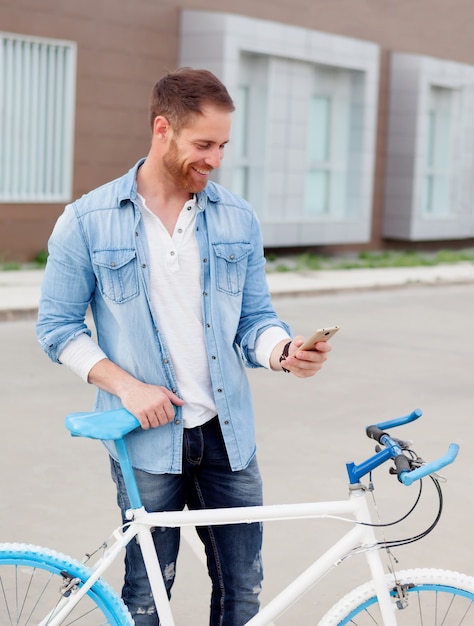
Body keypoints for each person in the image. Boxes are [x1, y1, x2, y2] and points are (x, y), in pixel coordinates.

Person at [36, 67, 332, 626]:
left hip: (228, 436)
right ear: (162, 129)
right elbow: (57, 329)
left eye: (222, 146)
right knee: (146, 598)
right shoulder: (87, 221)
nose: (215, 159)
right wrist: (126, 387)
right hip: (145, 441)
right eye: (203, 144)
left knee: (242, 593)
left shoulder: (237, 218)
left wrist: (284, 352)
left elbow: (254, 320)